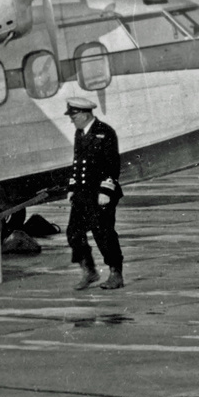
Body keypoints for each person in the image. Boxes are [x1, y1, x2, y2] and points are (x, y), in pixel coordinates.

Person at [64, 98, 124, 290]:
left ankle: (116, 274)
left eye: (73, 116)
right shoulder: (80, 133)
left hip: (100, 193)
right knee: (74, 233)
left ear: (84, 114)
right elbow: (77, 163)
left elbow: (112, 165)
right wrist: (72, 188)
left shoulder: (104, 132)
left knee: (103, 233)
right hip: (83, 193)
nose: (71, 120)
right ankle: (89, 271)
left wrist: (106, 190)